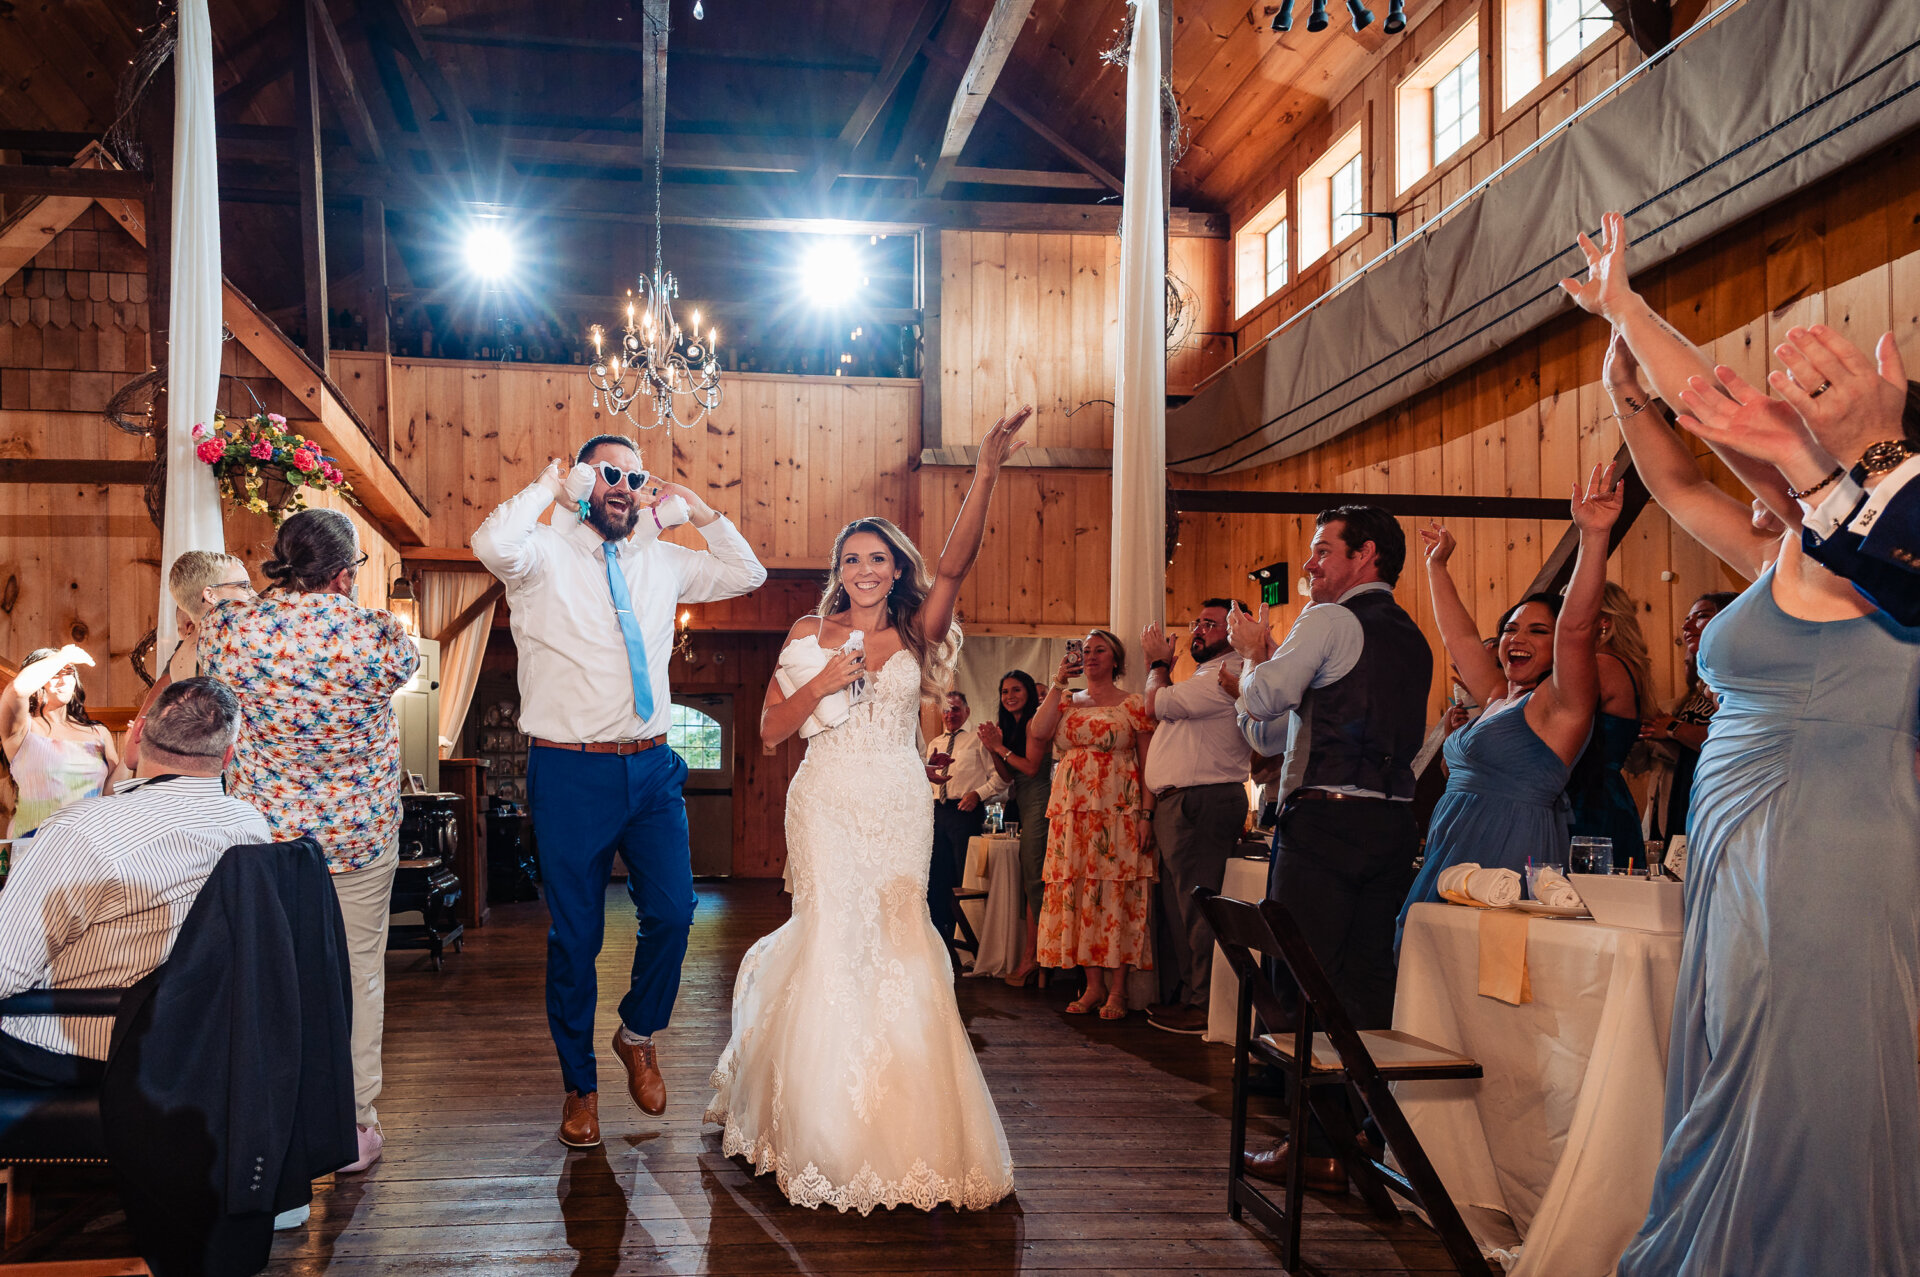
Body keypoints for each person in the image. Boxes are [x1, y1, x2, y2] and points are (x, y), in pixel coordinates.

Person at [1565, 210, 1920, 1274]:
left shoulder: (1869, 552)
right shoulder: (1785, 550)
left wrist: (1636, 316)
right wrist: (1623, 342)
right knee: (1738, 1065)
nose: (1766, 430)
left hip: (1822, 838)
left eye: (1802, 425)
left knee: (1803, 1079)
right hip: (1746, 841)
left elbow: (1709, 415)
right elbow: (1675, 469)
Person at [705, 406, 1029, 1213]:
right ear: (838, 568)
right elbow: (773, 730)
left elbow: (954, 565)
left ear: (896, 568)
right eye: (852, 558)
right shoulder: (809, 630)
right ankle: (816, 1128)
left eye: (878, 558)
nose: (865, 569)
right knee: (831, 938)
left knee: (895, 939)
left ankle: (907, 1124)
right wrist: (824, 681)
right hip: (825, 799)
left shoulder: (920, 633)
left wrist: (984, 472)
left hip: (895, 798)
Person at [473, 434, 767, 1150]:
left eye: (635, 476)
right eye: (609, 471)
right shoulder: (541, 553)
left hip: (651, 766)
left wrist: (697, 509)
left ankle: (637, 1033)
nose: (625, 485)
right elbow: (489, 540)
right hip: (569, 772)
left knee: (674, 911)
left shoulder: (659, 558)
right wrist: (550, 481)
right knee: (576, 937)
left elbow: (747, 571)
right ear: (583, 476)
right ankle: (580, 1087)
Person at [199, 508, 419, 1175]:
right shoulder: (377, 637)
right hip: (358, 837)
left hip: (268, 843)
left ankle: (273, 1119)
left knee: (271, 976)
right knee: (358, 976)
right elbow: (404, 664)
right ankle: (352, 1127)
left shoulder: (232, 634)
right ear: (346, 573)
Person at [1224, 506, 1433, 1188]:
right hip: (1391, 827)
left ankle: (1313, 1143)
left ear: (1365, 554)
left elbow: (1266, 697)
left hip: (1323, 827)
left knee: (1298, 980)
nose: (1309, 564)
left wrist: (1254, 650)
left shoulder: (1328, 619)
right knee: (1365, 983)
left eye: (1321, 550)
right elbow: (1274, 735)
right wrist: (1258, 698)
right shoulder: (1412, 639)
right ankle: (1354, 1140)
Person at [0, 678, 268, 1087]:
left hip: (80, 1049)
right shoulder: (249, 823)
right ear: (228, 755)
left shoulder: (81, 831)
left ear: (139, 733)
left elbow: (5, 974)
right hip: (195, 1043)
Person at [1399, 467, 1620, 937]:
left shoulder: (1559, 706)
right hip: (1451, 845)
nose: (1516, 639)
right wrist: (1436, 566)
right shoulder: (1500, 697)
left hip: (1509, 847)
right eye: (1511, 629)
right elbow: (1457, 635)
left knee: (1491, 968)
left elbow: (1577, 629)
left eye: (1538, 631)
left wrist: (1593, 536)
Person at [1138, 599, 1250, 1035]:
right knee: (1181, 907)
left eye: (1211, 623)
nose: (1199, 630)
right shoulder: (1205, 674)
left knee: (1198, 906)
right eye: (1196, 622)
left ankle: (1205, 1005)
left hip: (1201, 802)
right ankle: (1191, 996)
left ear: (1234, 629)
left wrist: (1159, 663)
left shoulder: (1231, 673)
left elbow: (1155, 704)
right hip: (1182, 803)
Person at [1030, 629, 1155, 1019]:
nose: (1091, 656)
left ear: (1115, 659)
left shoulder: (1133, 704)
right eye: (1085, 651)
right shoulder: (1066, 701)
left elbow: (1148, 762)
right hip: (1072, 811)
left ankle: (1118, 990)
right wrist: (1057, 683)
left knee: (1116, 893)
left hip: (1118, 808)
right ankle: (1093, 986)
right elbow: (1037, 732)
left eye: (1100, 650)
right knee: (1080, 892)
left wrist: (1147, 813)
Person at [124, 552, 256, 772]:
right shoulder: (226, 645)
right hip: (230, 771)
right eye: (243, 586)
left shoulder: (182, 651)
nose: (253, 594)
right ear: (210, 594)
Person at [1564, 581, 1655, 869]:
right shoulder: (1625, 664)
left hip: (1588, 802)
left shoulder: (1602, 665)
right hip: (1606, 796)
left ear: (1603, 622)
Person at [1641, 591, 1737, 840]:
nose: (1686, 626)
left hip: (1722, 796)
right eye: (1686, 619)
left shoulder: (1736, 675)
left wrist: (1674, 728)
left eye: (1701, 617)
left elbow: (1731, 739)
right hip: (1687, 789)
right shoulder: (1700, 690)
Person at [977, 668, 1052, 986]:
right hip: (1022, 801)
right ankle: (1034, 953)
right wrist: (994, 747)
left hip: (1042, 799)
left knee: (1036, 876)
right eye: (1004, 691)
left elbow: (1033, 769)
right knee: (1030, 877)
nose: (1009, 696)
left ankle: (1036, 956)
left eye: (1016, 690)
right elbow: (1008, 777)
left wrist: (1000, 747)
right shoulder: (1009, 726)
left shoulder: (1037, 722)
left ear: (1031, 694)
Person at [2, 645, 118, 839]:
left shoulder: (99, 732)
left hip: (86, 841)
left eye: (69, 671)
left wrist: (132, 749)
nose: (63, 680)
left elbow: (108, 794)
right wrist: (64, 656)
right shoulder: (23, 729)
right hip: (34, 840)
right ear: (38, 679)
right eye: (55, 673)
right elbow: (17, 689)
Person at [923, 690, 1006, 945]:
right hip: (937, 813)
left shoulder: (977, 741)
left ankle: (968, 940)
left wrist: (978, 795)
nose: (950, 715)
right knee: (936, 876)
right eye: (946, 710)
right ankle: (940, 937)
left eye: (956, 709)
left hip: (965, 812)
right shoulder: (934, 743)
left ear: (967, 712)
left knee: (964, 877)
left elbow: (1000, 780)